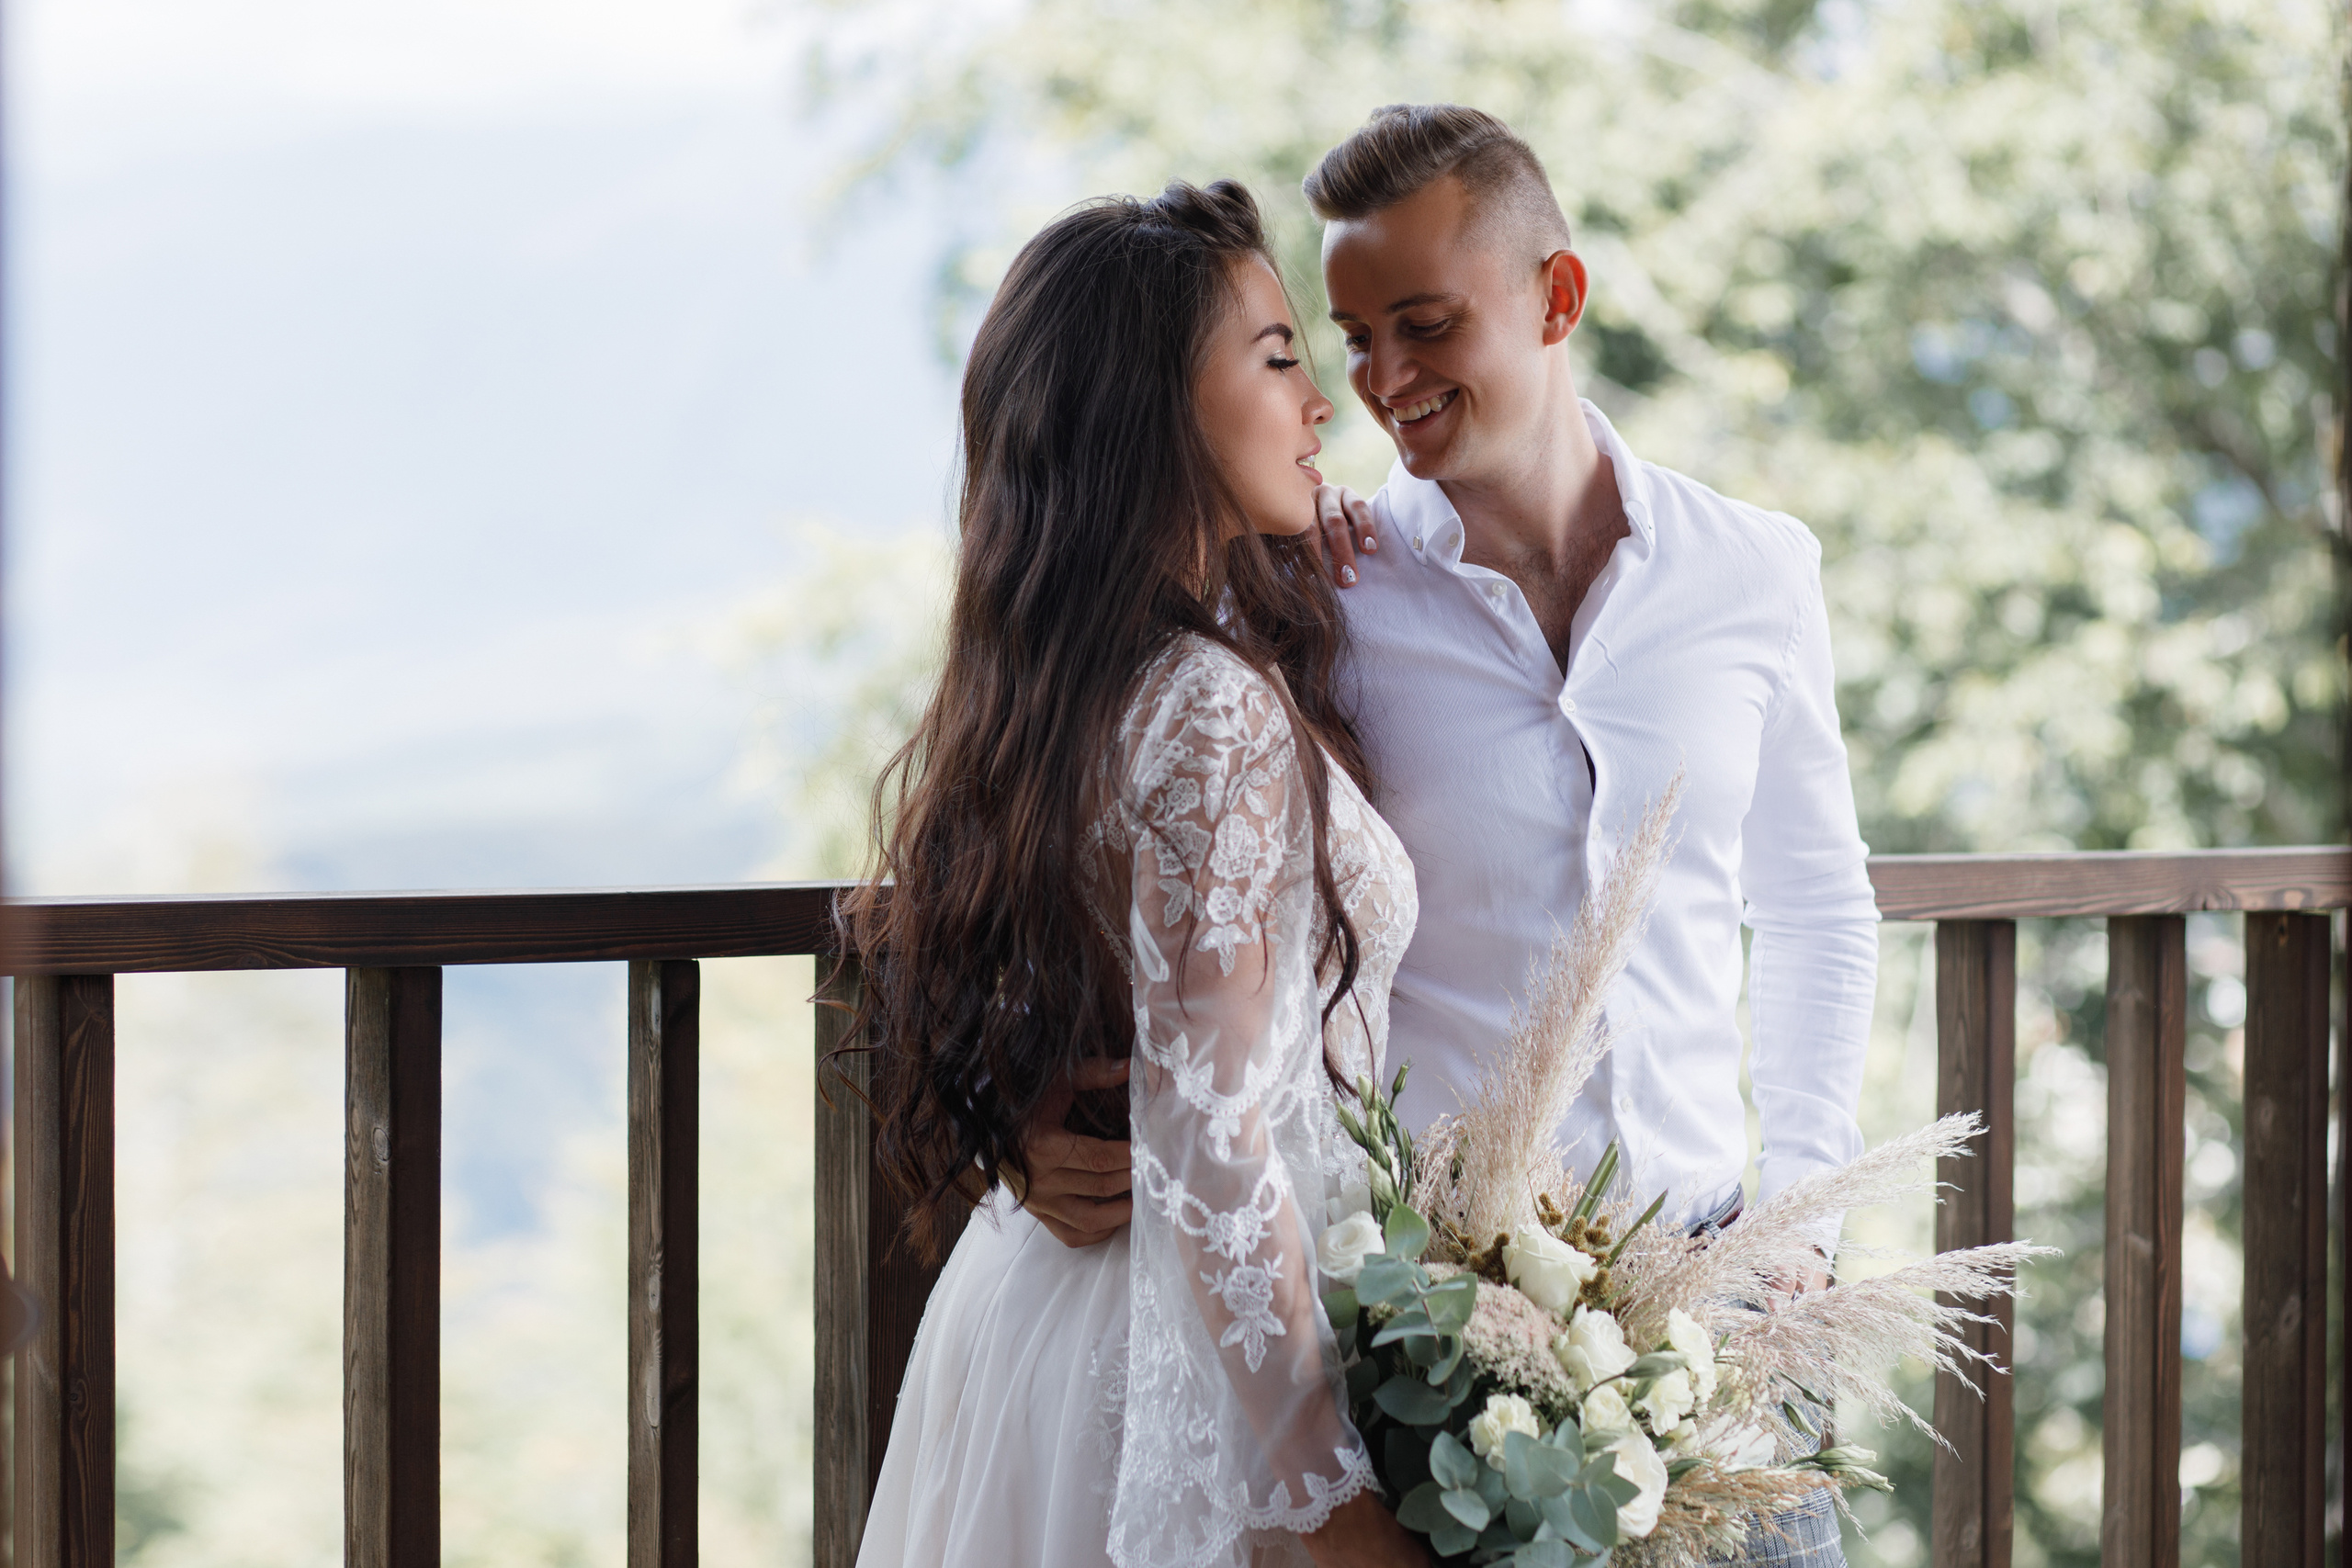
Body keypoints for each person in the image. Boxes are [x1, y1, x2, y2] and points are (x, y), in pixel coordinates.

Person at [1303, 104, 1881, 1565]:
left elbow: (1816, 904)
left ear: (1557, 298)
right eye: (1354, 338)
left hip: (1730, 1320)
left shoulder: (1756, 570)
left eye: (1424, 325)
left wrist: (1806, 1218)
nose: (1383, 381)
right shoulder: (1333, 600)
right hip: (1450, 1356)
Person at [838, 180, 1427, 1568]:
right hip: (1187, 1376)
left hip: (1053, 1323)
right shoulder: (1206, 704)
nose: (1324, 404)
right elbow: (1215, 1147)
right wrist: (1326, 1503)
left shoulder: (1092, 679)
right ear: (1157, 403)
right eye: (1280, 358)